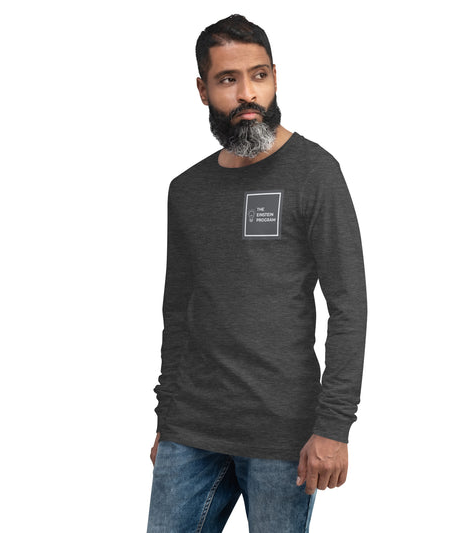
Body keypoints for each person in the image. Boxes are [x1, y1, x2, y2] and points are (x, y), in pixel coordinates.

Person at [146, 14, 367, 533]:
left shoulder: (315, 173)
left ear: (274, 78)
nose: (248, 93)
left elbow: (349, 307)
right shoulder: (187, 190)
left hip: (282, 437)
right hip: (190, 431)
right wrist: (167, 418)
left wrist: (334, 426)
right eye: (228, 79)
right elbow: (177, 313)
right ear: (203, 90)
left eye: (259, 75)